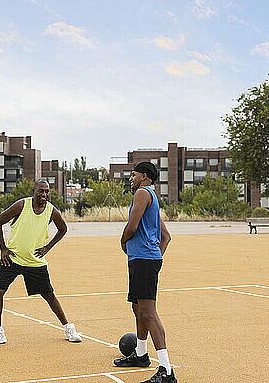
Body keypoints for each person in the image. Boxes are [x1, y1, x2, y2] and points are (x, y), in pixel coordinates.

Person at [0, 179, 82, 347]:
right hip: (12, 258)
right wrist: (3, 249)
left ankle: (68, 329)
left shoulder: (51, 211)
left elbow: (63, 229)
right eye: (41, 191)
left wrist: (48, 247)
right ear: (34, 191)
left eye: (47, 191)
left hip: (35, 261)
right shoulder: (22, 205)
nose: (44, 194)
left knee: (49, 295)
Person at [114, 162, 177, 383]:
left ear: (144, 176)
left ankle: (167, 371)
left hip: (143, 260)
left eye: (132, 175)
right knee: (138, 307)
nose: (130, 179)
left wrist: (123, 242)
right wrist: (156, 256)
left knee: (149, 312)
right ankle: (141, 355)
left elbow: (132, 227)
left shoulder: (142, 193)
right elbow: (166, 236)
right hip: (143, 259)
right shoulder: (152, 198)